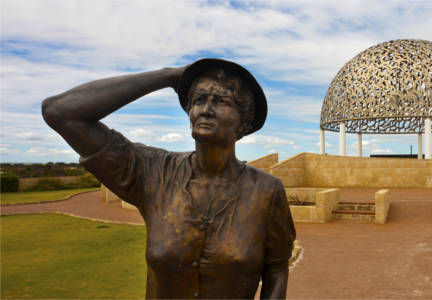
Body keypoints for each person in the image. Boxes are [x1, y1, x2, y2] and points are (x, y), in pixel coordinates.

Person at [42, 58, 296, 299]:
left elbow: (276, 269)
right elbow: (60, 112)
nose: (206, 110)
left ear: (244, 120)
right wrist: (170, 75)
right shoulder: (153, 171)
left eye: (221, 102)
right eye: (198, 100)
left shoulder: (266, 190)